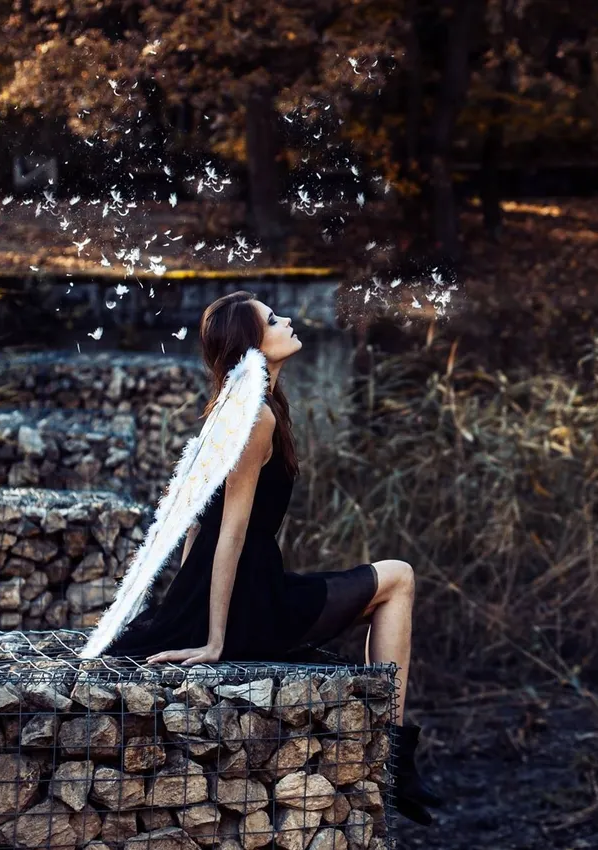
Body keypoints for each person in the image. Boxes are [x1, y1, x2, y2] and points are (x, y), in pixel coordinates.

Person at [106, 290, 444, 825]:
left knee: (390, 582)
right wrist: (213, 637)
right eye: (272, 319)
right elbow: (229, 533)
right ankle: (396, 754)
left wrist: (183, 608)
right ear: (252, 346)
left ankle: (395, 754)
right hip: (253, 599)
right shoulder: (254, 418)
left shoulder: (246, 408)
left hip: (253, 586)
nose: (286, 320)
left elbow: (199, 524)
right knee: (398, 577)